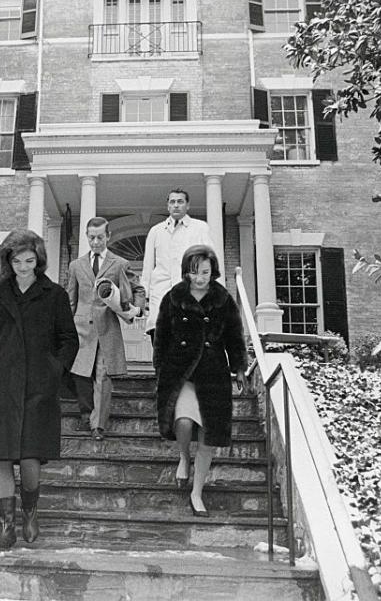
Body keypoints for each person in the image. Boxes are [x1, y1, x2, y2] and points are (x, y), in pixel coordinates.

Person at [0, 229, 79, 550]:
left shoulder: (54, 294)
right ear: (9, 261)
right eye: (16, 261)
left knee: (31, 458)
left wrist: (53, 370)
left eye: (29, 260)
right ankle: (6, 527)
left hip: (38, 387)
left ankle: (30, 512)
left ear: (39, 260)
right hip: (1, 387)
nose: (23, 267)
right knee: (2, 459)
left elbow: (69, 339)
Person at [153, 245, 247, 517]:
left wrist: (239, 367)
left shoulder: (223, 299)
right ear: (186, 272)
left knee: (209, 434)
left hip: (213, 373)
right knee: (182, 422)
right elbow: (161, 336)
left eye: (205, 272)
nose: (200, 278)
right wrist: (160, 369)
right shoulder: (173, 297)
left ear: (213, 270)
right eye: (194, 272)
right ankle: (183, 457)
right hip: (180, 372)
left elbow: (235, 336)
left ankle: (197, 492)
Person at [66, 217, 138, 441]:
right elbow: (71, 299)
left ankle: (98, 425)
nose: (95, 242)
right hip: (81, 329)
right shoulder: (76, 266)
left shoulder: (119, 264)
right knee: (81, 374)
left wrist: (137, 308)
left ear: (108, 237)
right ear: (87, 237)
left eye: (100, 237)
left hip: (107, 328)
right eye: (91, 237)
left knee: (103, 375)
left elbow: (138, 289)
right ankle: (87, 412)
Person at [141, 188, 215, 342]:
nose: (176, 205)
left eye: (180, 202)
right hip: (161, 291)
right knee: (161, 341)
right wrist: (143, 295)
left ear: (187, 206)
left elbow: (210, 262)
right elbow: (148, 267)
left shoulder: (200, 228)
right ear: (168, 206)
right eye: (172, 202)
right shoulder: (156, 231)